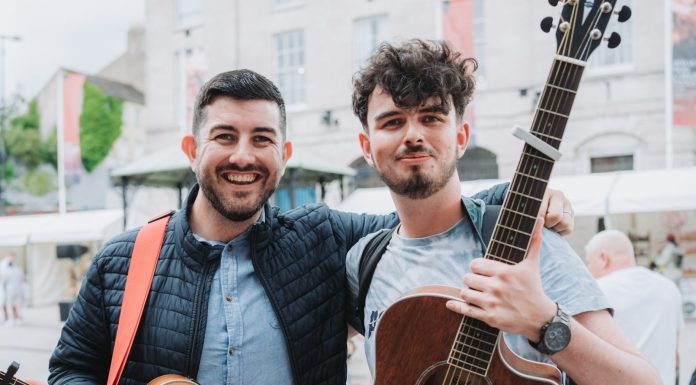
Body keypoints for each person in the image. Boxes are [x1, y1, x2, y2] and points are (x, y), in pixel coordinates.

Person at [45, 69, 574, 385]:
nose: (243, 155)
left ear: (284, 152)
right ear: (193, 150)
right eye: (225, 136)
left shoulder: (323, 237)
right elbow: (69, 369)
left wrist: (518, 195)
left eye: (262, 138)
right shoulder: (122, 262)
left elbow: (419, 215)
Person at [344, 39, 660, 385]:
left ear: (461, 138)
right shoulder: (363, 262)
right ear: (367, 148)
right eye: (392, 122)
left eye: (431, 117)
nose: (414, 135)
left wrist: (544, 321)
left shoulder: (528, 247)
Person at [585, 229, 683, 385]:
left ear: (603, 258)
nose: (588, 270)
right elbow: (675, 357)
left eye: (589, 263)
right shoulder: (669, 288)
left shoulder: (596, 291)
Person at [1, 252, 24, 325]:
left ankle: (11, 319)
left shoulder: (7, 269)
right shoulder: (17, 268)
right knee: (17, 305)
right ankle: (19, 319)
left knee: (9, 305)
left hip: (10, 289)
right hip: (18, 289)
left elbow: (4, 279)